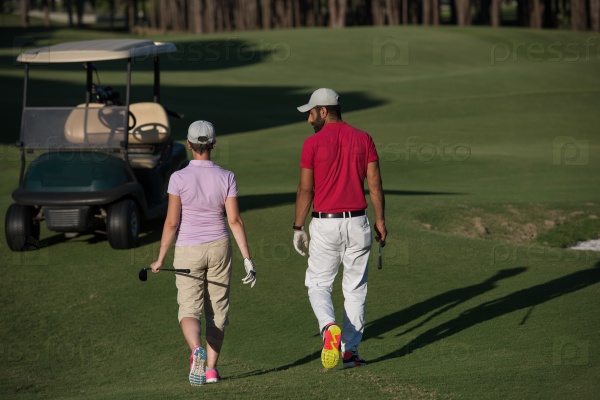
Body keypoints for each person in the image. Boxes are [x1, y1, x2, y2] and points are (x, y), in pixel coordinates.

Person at [150, 120, 257, 386]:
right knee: (217, 312)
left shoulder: (178, 177)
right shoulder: (227, 176)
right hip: (219, 247)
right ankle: (210, 369)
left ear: (188, 144)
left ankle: (195, 349)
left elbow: (172, 222)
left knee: (189, 309)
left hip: (188, 249)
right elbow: (235, 221)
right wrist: (247, 258)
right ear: (213, 145)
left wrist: (161, 258)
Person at [293, 88, 387, 369]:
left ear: (323, 111)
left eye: (311, 113)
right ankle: (350, 353)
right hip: (359, 222)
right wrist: (380, 220)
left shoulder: (313, 144)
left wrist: (298, 226)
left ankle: (328, 328)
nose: (309, 119)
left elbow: (306, 189)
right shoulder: (363, 138)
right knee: (356, 290)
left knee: (318, 283)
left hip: (326, 223)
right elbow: (375, 185)